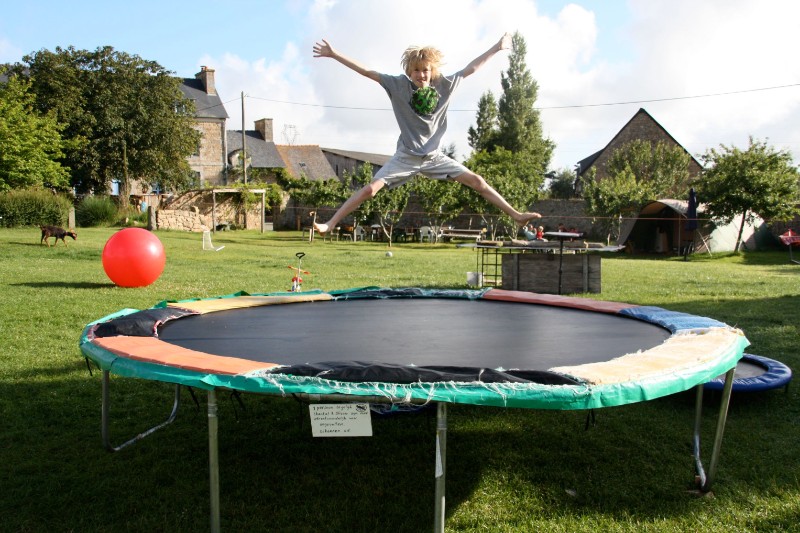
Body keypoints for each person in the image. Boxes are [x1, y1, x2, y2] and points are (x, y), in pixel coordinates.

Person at [311, 33, 542, 235]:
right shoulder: (397, 86)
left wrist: (497, 47)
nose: (421, 75)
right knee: (370, 189)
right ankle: (330, 223)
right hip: (406, 157)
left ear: (433, 72)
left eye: (426, 70)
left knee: (477, 181)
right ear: (409, 72)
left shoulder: (445, 85)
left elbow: (470, 69)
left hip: (434, 157)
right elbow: (368, 72)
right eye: (417, 71)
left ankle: (516, 215)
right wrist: (334, 54)